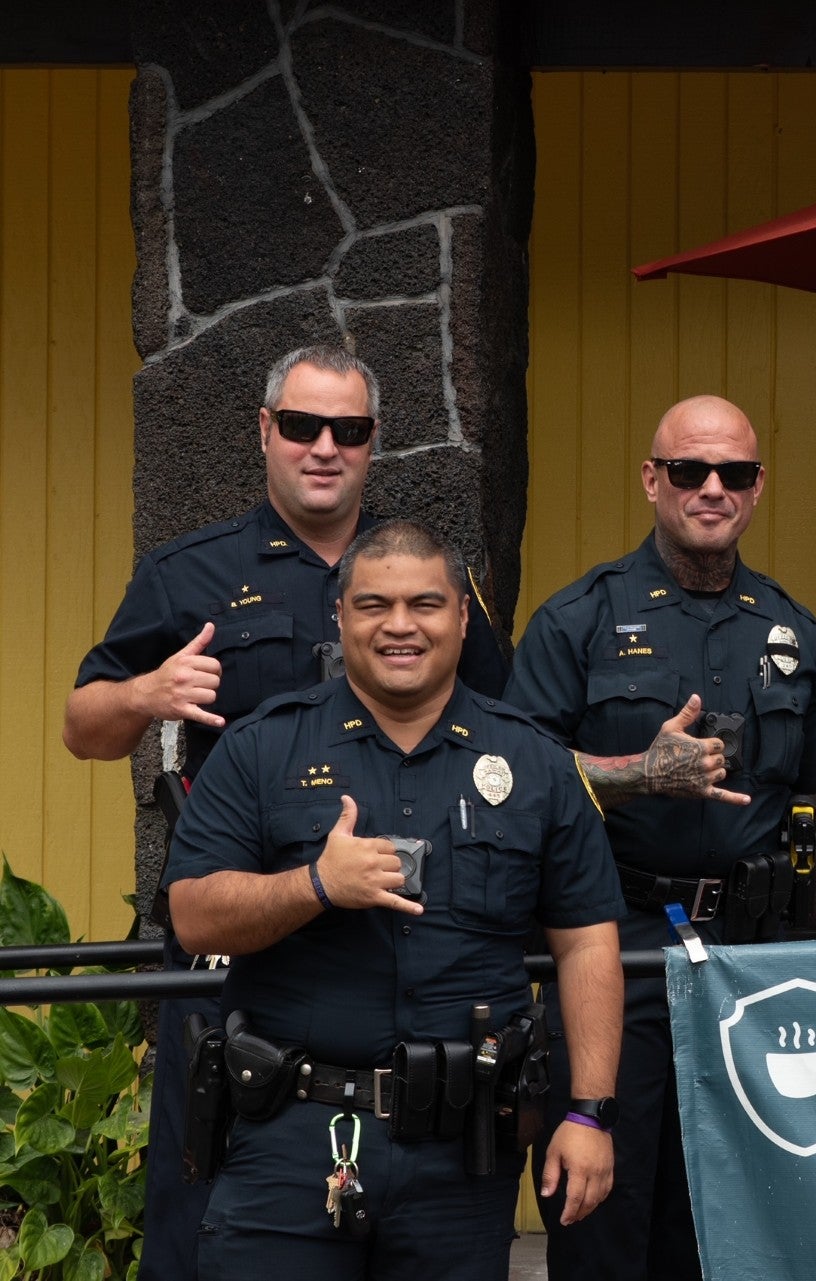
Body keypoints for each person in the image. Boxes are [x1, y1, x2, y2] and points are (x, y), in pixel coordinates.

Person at [63, 343, 509, 1280]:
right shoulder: (190, 573)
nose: (323, 448)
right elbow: (82, 727)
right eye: (301, 426)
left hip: (390, 937)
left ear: (373, 444)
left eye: (346, 431)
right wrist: (147, 690)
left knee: (401, 1182)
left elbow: (509, 730)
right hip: (239, 933)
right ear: (265, 432)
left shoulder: (424, 575)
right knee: (202, 1178)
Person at [162, 519, 623, 1279]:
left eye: (426, 603)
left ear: (462, 618)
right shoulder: (264, 747)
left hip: (461, 1157)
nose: (401, 625)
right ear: (340, 616)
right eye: (374, 604)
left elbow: (586, 941)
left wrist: (589, 1111)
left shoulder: (533, 761)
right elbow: (193, 913)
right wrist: (317, 885)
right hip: (291, 1141)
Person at [507, 393, 816, 1280]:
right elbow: (509, 791)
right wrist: (636, 775)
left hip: (756, 961)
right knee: (609, 1224)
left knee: (740, 1221)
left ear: (757, 486)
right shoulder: (577, 620)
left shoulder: (792, 630)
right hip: (616, 951)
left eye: (733, 473)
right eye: (689, 471)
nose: (712, 488)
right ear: (651, 479)